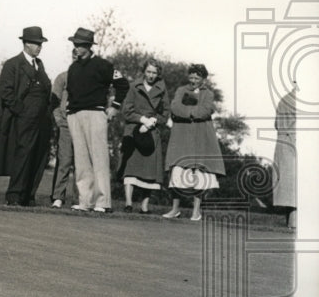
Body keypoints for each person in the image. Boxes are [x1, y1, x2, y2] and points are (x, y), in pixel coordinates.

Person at [65, 27, 130, 213]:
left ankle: (103, 202)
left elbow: (123, 84)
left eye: (79, 45)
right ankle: (85, 201)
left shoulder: (103, 65)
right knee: (81, 160)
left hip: (95, 114)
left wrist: (115, 106)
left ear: (88, 46)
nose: (76, 48)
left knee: (99, 159)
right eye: (75, 44)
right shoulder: (73, 67)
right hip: (75, 114)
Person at [0, 26, 53, 207]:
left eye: (40, 43)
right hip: (23, 119)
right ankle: (14, 196)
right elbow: (5, 92)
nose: (39, 47)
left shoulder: (39, 65)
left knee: (38, 157)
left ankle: (28, 196)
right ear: (26, 43)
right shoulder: (13, 64)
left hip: (41, 120)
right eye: (36, 43)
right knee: (22, 156)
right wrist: (21, 111)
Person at [162, 64, 224, 221]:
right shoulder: (181, 90)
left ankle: (196, 211)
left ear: (203, 79)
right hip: (181, 136)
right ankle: (175, 209)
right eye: (191, 77)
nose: (193, 80)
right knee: (177, 170)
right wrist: (192, 113)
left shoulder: (208, 94)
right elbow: (175, 108)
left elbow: (205, 111)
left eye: (197, 78)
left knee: (200, 173)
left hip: (201, 137)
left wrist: (187, 113)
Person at [118, 60, 169, 213]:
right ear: (144, 71)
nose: (151, 75)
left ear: (158, 73)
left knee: (150, 170)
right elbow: (126, 111)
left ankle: (144, 206)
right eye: (149, 72)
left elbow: (165, 113)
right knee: (131, 167)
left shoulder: (162, 88)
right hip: (134, 130)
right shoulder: (134, 86)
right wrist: (141, 120)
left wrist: (153, 121)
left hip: (151, 132)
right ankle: (128, 203)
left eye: (154, 73)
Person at [272, 82, 297, 228]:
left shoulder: (284, 99)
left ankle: (290, 224)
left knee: (289, 187)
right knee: (295, 187)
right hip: (294, 142)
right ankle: (293, 224)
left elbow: (276, 124)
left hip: (282, 143)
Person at [49, 70, 75, 208]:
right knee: (64, 160)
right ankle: (58, 197)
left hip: (82, 124)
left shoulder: (90, 76)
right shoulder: (63, 77)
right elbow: (54, 100)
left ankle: (79, 200)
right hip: (66, 125)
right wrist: (59, 120)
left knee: (82, 164)